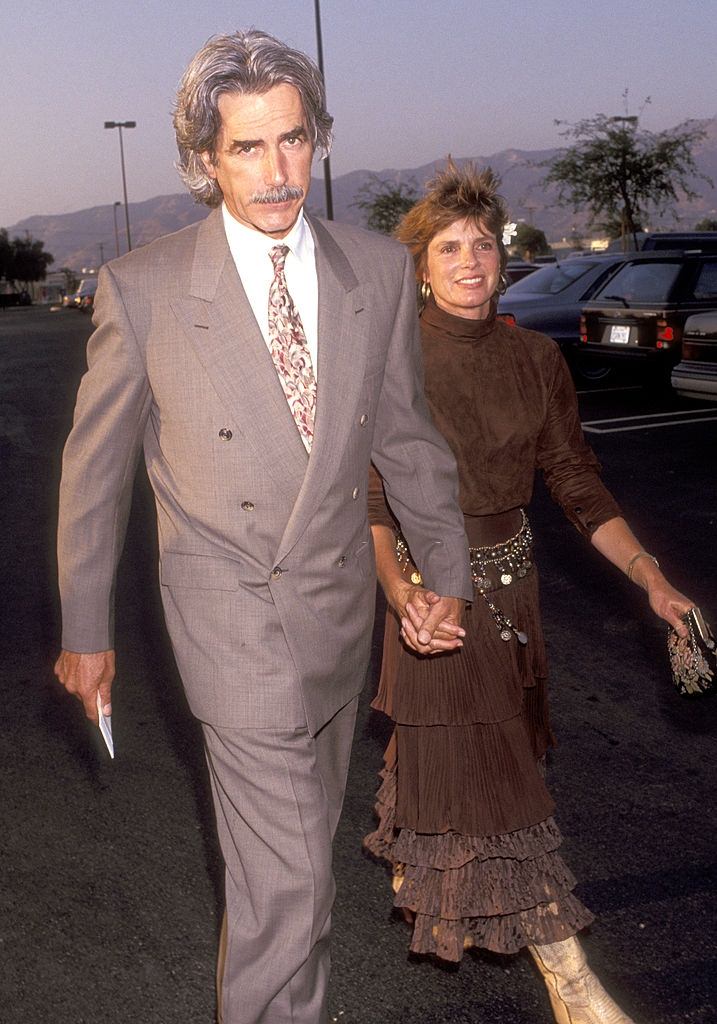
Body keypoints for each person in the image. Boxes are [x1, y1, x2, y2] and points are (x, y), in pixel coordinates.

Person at [53, 32, 473, 1024]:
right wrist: (86, 630)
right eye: (248, 148)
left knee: (291, 878)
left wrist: (444, 565)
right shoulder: (145, 288)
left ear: (318, 140)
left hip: (335, 617)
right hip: (230, 615)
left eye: (294, 141)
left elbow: (408, 438)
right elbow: (93, 471)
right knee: (289, 885)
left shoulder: (374, 271)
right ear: (205, 161)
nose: (278, 171)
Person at [364, 159, 693, 1024]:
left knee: (472, 762)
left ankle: (436, 863)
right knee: (505, 789)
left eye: (482, 244)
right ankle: (574, 989)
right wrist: (401, 593)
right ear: (420, 265)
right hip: (435, 599)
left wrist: (651, 578)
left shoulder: (536, 359)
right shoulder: (393, 358)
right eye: (448, 247)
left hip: (513, 595)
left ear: (501, 256)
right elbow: (369, 497)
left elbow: (576, 485)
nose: (469, 260)